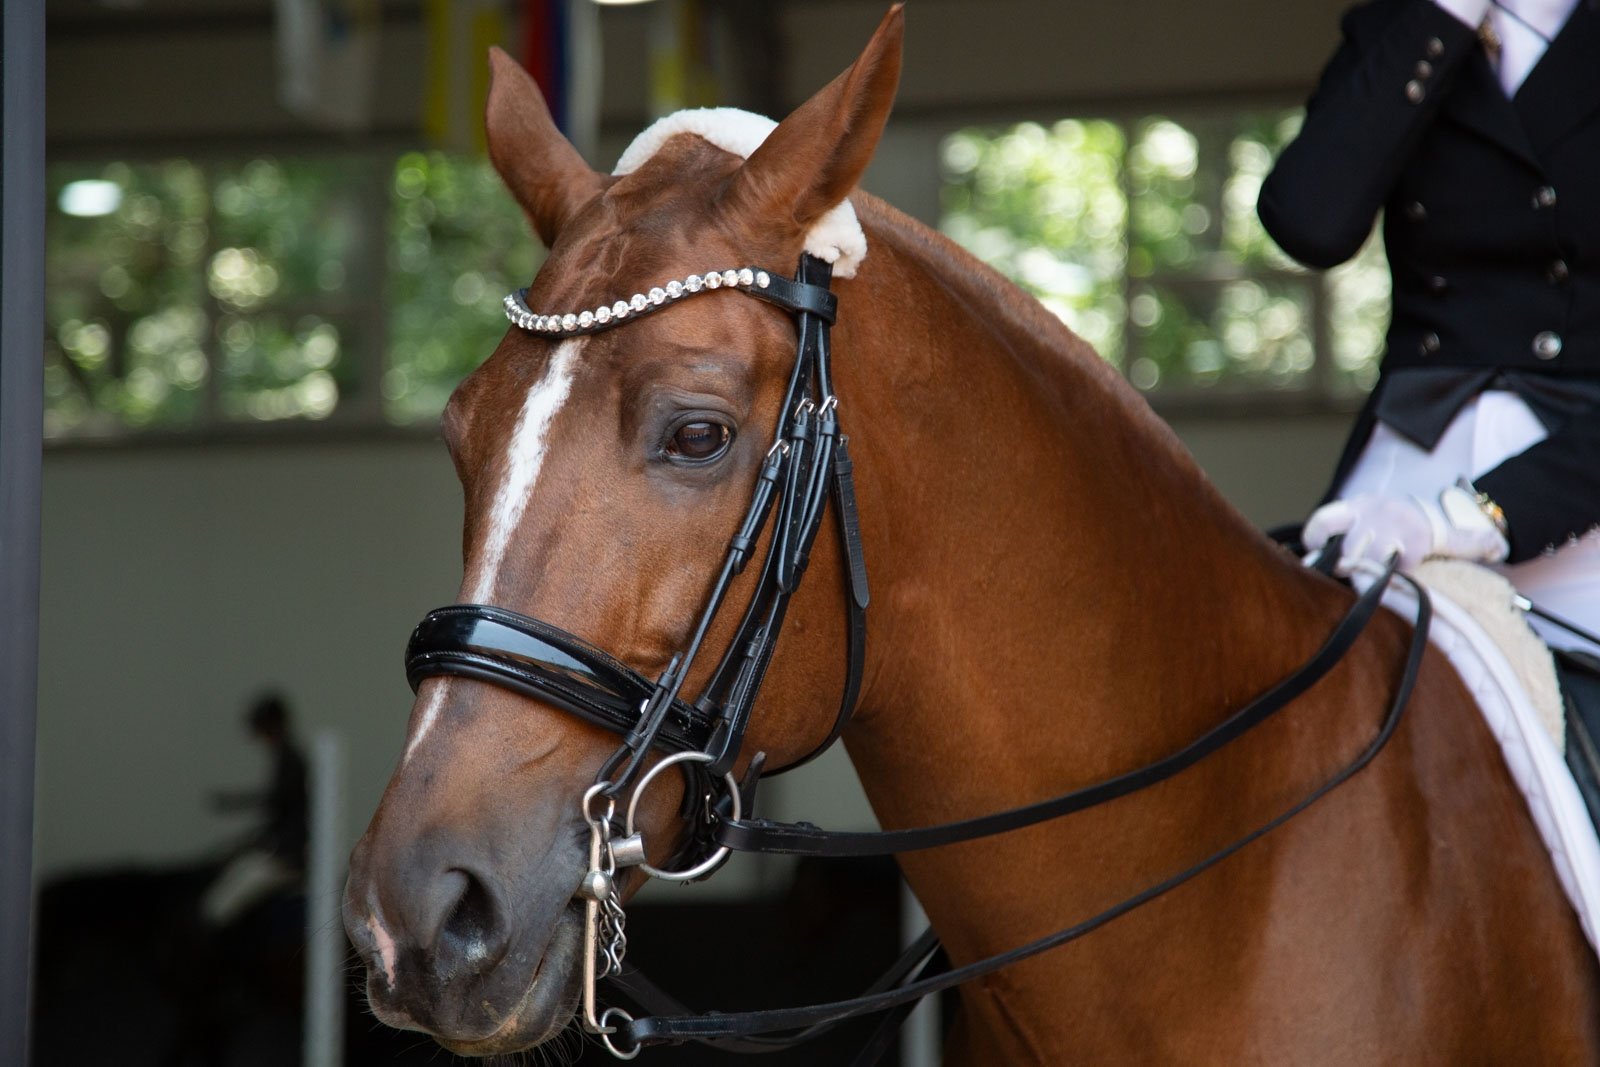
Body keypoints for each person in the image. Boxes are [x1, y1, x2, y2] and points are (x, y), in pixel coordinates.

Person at [1256, 0, 1600, 660]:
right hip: (1412, 449)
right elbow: (1310, 222)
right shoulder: (1401, 25)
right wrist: (1445, 16)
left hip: (1578, 478)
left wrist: (1472, 518)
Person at [200, 692, 309, 926]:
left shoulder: (290, 759)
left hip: (287, 856)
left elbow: (277, 803)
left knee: (221, 904)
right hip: (283, 849)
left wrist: (232, 803)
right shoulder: (286, 757)